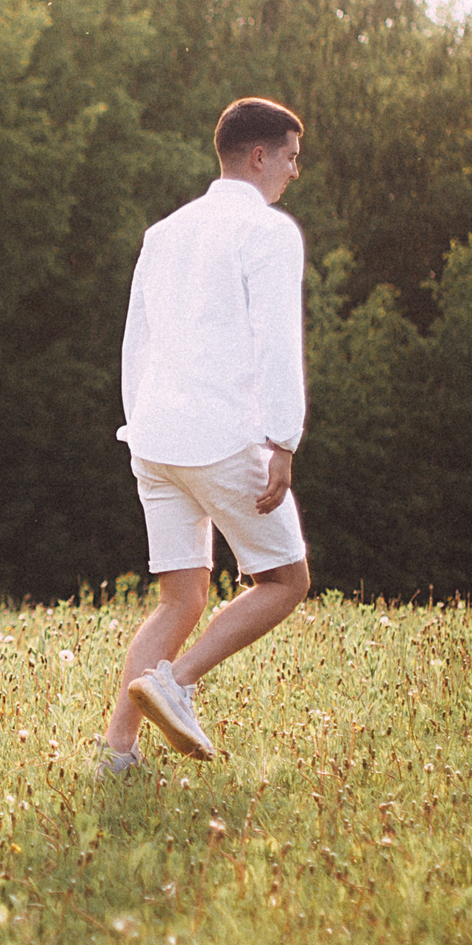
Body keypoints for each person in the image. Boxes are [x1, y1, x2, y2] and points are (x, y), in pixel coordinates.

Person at [98, 98, 313, 769]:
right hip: (224, 438)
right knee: (287, 580)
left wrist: (141, 424)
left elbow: (139, 337)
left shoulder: (164, 231)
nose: (294, 172)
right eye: (291, 156)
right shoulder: (271, 232)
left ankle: (116, 753)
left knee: (182, 596)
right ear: (259, 156)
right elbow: (278, 340)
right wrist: (282, 439)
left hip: (154, 436)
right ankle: (177, 681)